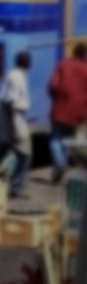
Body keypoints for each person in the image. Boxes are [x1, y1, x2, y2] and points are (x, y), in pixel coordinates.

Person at [0, 51, 33, 198]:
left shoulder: (17, 75)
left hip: (12, 117)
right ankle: (16, 188)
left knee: (3, 147)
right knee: (24, 155)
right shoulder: (17, 77)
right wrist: (14, 128)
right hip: (13, 118)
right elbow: (12, 103)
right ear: (27, 63)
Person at [49, 43, 87, 183]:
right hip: (79, 112)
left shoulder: (64, 65)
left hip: (61, 108)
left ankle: (60, 165)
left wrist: (55, 99)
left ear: (74, 52)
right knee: (69, 140)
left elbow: (53, 85)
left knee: (55, 139)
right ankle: (60, 169)